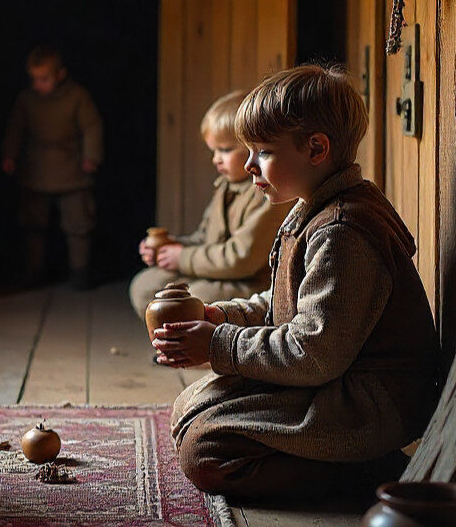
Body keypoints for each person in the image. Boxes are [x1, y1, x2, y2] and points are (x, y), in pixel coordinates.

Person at [154, 65, 438, 501]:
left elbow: (312, 352)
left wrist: (218, 345)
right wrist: (220, 316)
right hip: (331, 377)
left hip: (370, 402)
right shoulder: (313, 207)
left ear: (316, 149)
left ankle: (375, 474)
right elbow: (285, 302)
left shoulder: (343, 230)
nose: (248, 165)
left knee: (205, 451)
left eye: (262, 152)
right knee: (192, 407)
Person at [129, 90, 291, 319]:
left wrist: (182, 257)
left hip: (251, 283)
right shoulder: (225, 186)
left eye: (225, 150)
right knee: (145, 285)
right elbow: (205, 238)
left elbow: (241, 260)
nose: (216, 159)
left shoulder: (267, 193)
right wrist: (170, 247)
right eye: (213, 150)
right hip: (218, 274)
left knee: (193, 298)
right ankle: (172, 344)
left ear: (254, 147)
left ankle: (202, 351)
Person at [2, 45, 103, 289]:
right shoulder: (27, 100)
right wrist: (10, 155)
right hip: (36, 169)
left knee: (78, 224)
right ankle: (33, 271)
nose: (39, 85)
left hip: (71, 169)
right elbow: (16, 128)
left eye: (44, 79)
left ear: (60, 75)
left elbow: (92, 126)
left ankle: (80, 273)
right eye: (34, 79)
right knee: (32, 224)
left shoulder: (77, 96)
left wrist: (92, 156)